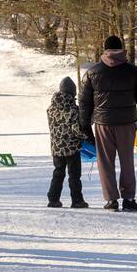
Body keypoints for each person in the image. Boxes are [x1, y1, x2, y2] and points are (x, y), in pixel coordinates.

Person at [78, 35, 137, 212]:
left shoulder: (93, 72)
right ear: (122, 49)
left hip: (103, 123)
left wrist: (85, 125)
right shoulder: (133, 71)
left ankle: (111, 200)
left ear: (105, 50)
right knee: (127, 161)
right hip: (126, 122)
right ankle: (129, 198)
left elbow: (84, 102)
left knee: (105, 162)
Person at [46, 76, 87, 208]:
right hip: (71, 147)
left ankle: (53, 199)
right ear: (73, 93)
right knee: (74, 175)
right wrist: (85, 137)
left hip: (56, 147)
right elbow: (76, 130)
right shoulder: (73, 109)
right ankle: (77, 200)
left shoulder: (51, 109)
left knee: (58, 173)